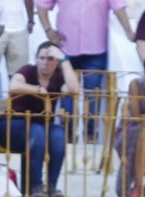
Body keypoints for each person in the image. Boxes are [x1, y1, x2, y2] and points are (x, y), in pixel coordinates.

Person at [35, 0, 132, 136]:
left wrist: (129, 32)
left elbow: (119, 7)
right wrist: (48, 30)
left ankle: (90, 136)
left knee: (93, 94)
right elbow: (41, 5)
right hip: (66, 48)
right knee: (67, 93)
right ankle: (67, 136)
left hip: (96, 49)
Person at [0, 40, 76, 197]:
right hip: (12, 126)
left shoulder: (58, 77)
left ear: (56, 62)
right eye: (41, 58)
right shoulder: (28, 70)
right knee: (37, 131)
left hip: (40, 129)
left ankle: (51, 186)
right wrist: (41, 91)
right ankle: (35, 186)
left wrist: (65, 60)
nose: (45, 62)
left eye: (50, 59)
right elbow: (14, 85)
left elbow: (74, 89)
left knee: (58, 136)